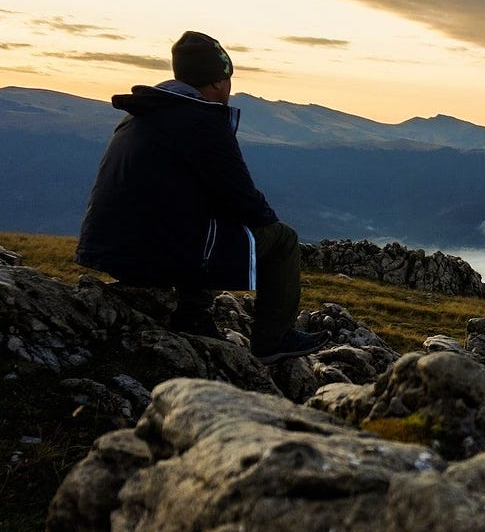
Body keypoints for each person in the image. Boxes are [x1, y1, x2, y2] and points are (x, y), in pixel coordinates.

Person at [76, 31, 328, 365]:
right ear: (218, 81)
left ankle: (195, 316)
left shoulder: (142, 113)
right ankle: (273, 340)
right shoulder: (202, 120)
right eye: (228, 79)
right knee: (282, 239)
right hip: (151, 252)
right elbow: (242, 197)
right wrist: (266, 219)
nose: (229, 88)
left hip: (106, 248)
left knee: (200, 223)